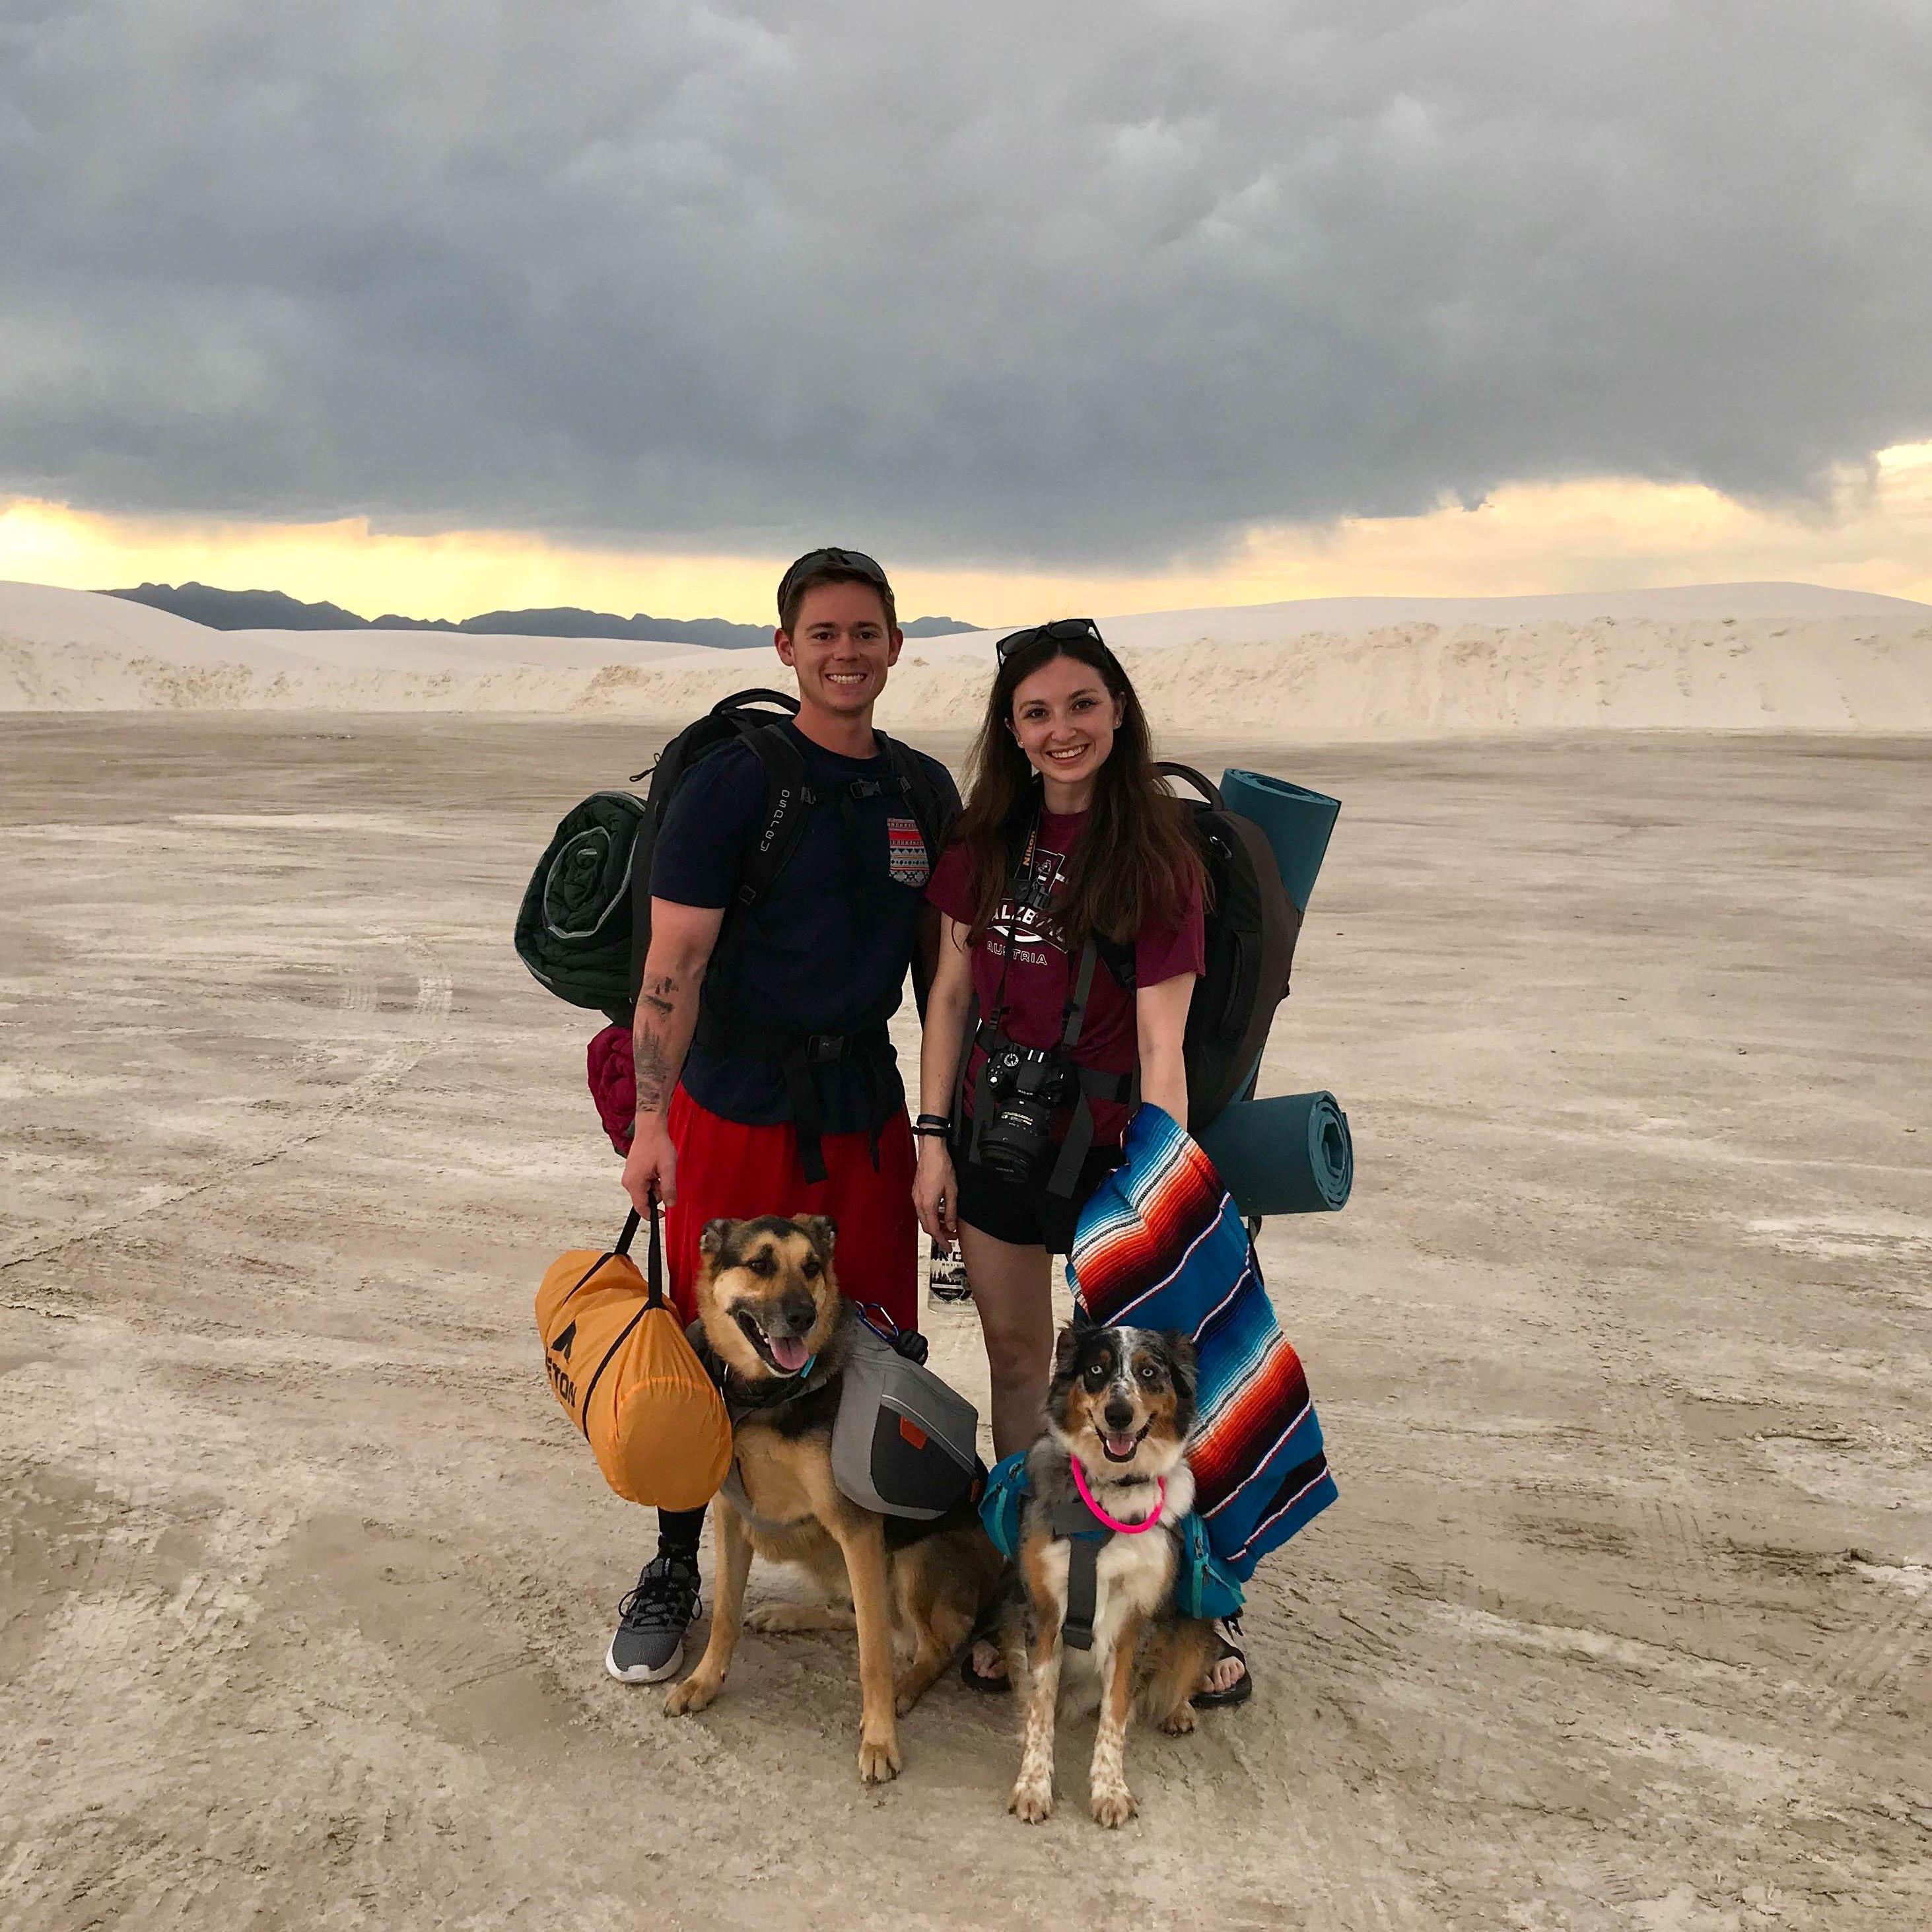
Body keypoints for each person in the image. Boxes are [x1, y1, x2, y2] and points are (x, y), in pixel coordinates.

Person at [607, 547, 959, 1685]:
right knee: (712, 1353)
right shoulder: (736, 785)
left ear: (896, 645)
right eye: (823, 634)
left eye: (866, 633)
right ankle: (675, 1564)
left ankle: (884, 1573)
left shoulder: (920, 792)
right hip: (737, 1104)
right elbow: (675, 963)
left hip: (862, 1110)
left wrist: (935, 1136)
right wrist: (652, 1128)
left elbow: (941, 982)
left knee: (867, 1353)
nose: (846, 653)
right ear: (785, 648)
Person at [913, 617, 1247, 1703]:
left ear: (1117, 712)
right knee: (1020, 1365)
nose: (1061, 731)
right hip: (997, 1142)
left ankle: (1193, 1599)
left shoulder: (1155, 860)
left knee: (1143, 1390)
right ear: (1010, 731)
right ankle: (1035, 1589)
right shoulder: (983, 843)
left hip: (1111, 1161)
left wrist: (1159, 1194)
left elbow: (1161, 1044)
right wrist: (932, 1140)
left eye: (1081, 706)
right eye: (1036, 712)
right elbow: (950, 999)